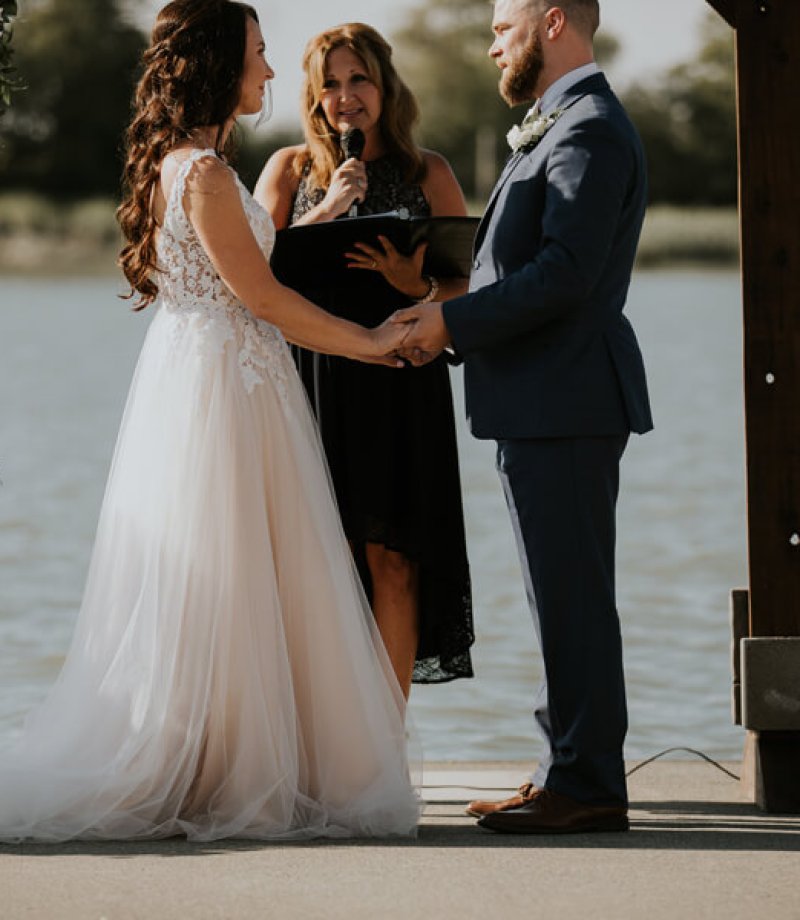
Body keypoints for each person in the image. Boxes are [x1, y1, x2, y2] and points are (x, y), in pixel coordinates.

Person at [0, 0, 421, 843]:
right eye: (259, 56)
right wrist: (371, 342)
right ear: (220, 64)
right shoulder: (204, 172)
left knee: (237, 578)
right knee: (229, 576)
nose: (270, 72)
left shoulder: (191, 164)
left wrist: (324, 216)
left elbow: (245, 259)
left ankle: (221, 762)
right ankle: (214, 773)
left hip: (216, 373)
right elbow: (260, 295)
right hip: (226, 386)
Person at [394, 0, 652, 834]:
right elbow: (523, 265)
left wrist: (452, 325)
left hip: (566, 399)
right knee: (560, 595)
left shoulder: (588, 129)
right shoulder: (564, 122)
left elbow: (567, 275)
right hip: (544, 397)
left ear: (551, 23)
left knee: (572, 594)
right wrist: (437, 301)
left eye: (502, 26)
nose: (491, 41)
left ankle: (586, 785)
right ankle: (566, 771)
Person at [254, 23, 474, 698]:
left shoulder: (427, 172)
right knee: (321, 562)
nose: (346, 98)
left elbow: (460, 291)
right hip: (311, 382)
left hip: (403, 386)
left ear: (385, 87)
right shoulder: (288, 170)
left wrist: (416, 290)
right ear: (315, 99)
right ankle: (325, 742)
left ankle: (382, 747)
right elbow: (255, 271)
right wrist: (331, 205)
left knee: (397, 562)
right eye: (331, 85)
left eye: (359, 80)